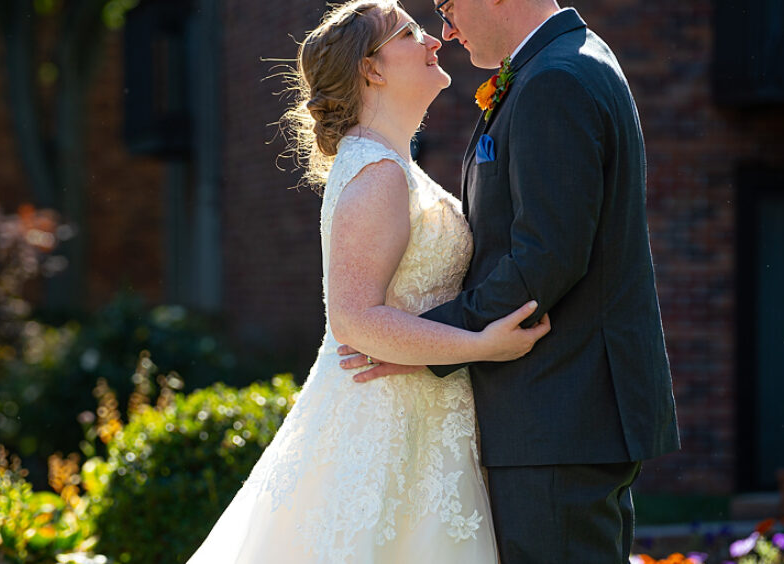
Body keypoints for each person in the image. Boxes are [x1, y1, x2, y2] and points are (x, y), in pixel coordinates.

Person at [186, 1, 551, 562]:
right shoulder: (377, 174)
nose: (435, 41)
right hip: (383, 430)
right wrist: (481, 346)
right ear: (372, 69)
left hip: (422, 419)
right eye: (412, 33)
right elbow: (355, 319)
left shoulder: (389, 164)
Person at [339, 0, 681, 561]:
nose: (444, 30)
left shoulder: (555, 79)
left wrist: (432, 342)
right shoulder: (560, 65)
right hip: (563, 410)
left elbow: (545, 259)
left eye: (446, 6)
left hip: (558, 407)